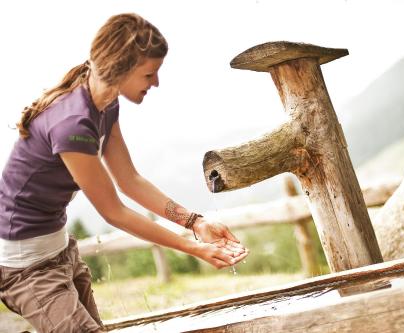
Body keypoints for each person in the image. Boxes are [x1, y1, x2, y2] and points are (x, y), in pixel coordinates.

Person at [0, 13, 248, 333]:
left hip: (61, 250)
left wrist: (195, 223)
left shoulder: (105, 104)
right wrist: (195, 248)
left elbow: (129, 180)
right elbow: (114, 212)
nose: (155, 83)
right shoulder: (72, 124)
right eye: (149, 74)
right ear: (121, 68)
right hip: (27, 267)